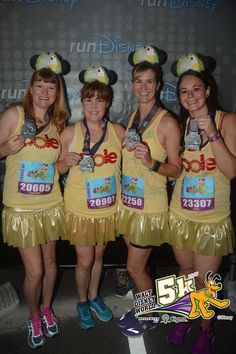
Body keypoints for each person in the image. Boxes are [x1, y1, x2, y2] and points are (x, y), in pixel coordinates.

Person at [0, 51, 71, 349]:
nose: (44, 92)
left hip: (51, 204)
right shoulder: (15, 114)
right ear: (30, 88)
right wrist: (7, 147)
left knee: (51, 262)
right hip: (21, 207)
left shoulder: (59, 125)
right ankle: (33, 315)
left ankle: (46, 309)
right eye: (39, 86)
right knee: (35, 271)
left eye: (51, 87)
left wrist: (72, 162)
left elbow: (57, 167)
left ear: (58, 93)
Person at [167, 53, 236, 354]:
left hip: (212, 219)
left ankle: (205, 331)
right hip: (181, 214)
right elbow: (178, 170)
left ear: (208, 90)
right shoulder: (180, 126)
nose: (190, 95)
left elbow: (231, 171)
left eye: (196, 88)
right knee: (186, 272)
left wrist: (213, 133)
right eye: (184, 91)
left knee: (206, 282)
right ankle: (186, 317)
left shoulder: (227, 120)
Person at [116, 45, 182, 337]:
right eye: (139, 81)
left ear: (158, 85)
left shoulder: (167, 121)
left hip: (149, 210)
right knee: (136, 266)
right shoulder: (131, 118)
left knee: (134, 268)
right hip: (128, 205)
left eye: (150, 81)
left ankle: (150, 314)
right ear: (132, 85)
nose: (144, 87)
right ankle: (146, 306)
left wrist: (152, 163)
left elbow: (176, 169)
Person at [57, 65, 125, 329]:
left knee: (99, 257)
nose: (94, 105)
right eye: (89, 99)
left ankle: (95, 297)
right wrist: (67, 162)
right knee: (84, 259)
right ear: (82, 102)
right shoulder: (69, 133)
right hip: (80, 209)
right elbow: (54, 170)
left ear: (107, 103)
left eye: (100, 99)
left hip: (107, 209)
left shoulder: (118, 132)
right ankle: (82, 301)